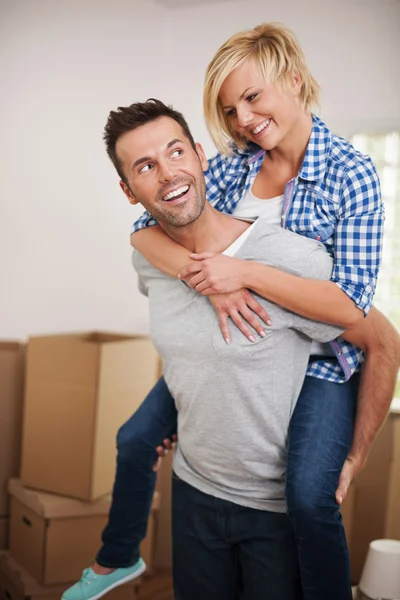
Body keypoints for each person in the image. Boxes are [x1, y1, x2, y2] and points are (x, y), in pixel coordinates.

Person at [61, 25, 400, 600]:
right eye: (229, 108)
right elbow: (149, 229)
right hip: (231, 347)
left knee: (310, 498)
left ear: (294, 80)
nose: (242, 119)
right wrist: (211, 280)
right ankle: (119, 556)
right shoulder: (233, 162)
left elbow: (350, 307)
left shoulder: (352, 175)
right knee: (138, 436)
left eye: (252, 97)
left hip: (319, 356)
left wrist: (242, 274)